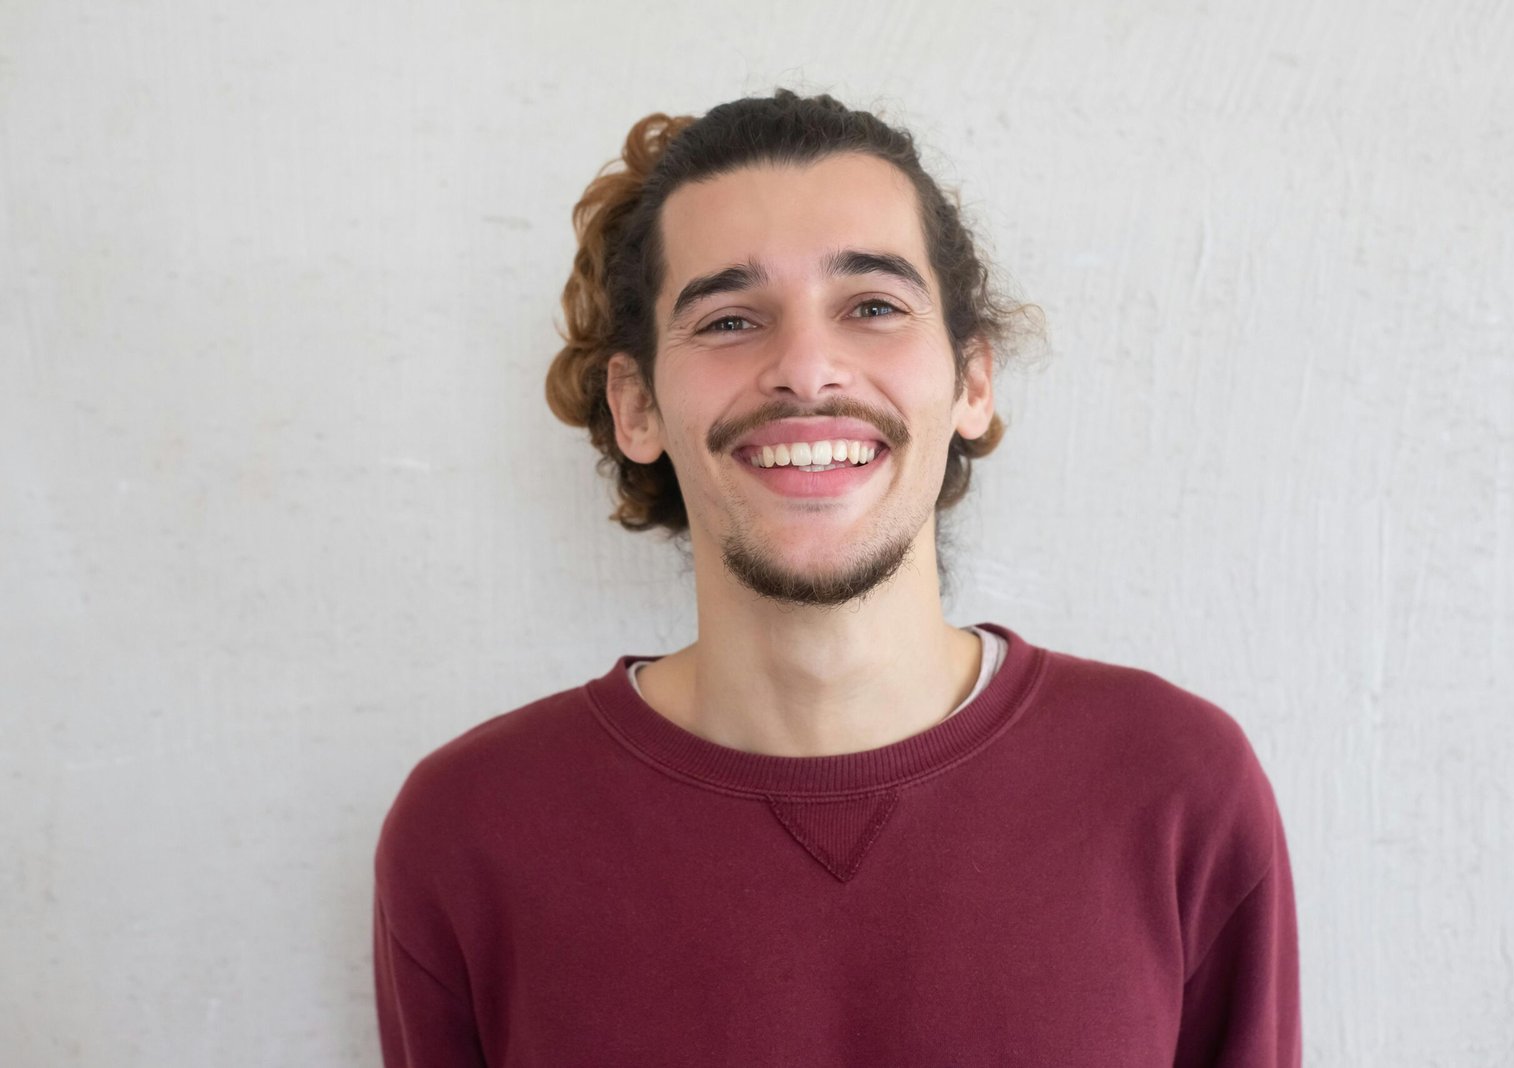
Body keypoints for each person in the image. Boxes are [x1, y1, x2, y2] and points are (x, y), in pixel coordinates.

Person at [373, 90, 1300, 1067]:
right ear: (636, 405)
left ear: (971, 384)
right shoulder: (473, 832)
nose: (807, 369)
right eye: (730, 319)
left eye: (872, 307)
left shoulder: (1172, 787)